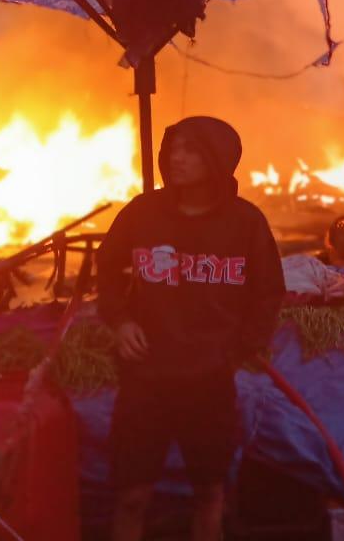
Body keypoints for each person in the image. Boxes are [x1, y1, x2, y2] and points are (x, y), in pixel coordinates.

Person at [97, 116, 285, 541]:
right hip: (145, 380)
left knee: (209, 495)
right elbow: (106, 270)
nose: (176, 158)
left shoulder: (245, 223)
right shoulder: (142, 214)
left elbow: (268, 293)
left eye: (190, 150)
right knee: (132, 497)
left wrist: (237, 351)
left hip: (210, 384)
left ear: (217, 161)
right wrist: (120, 322)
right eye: (173, 149)